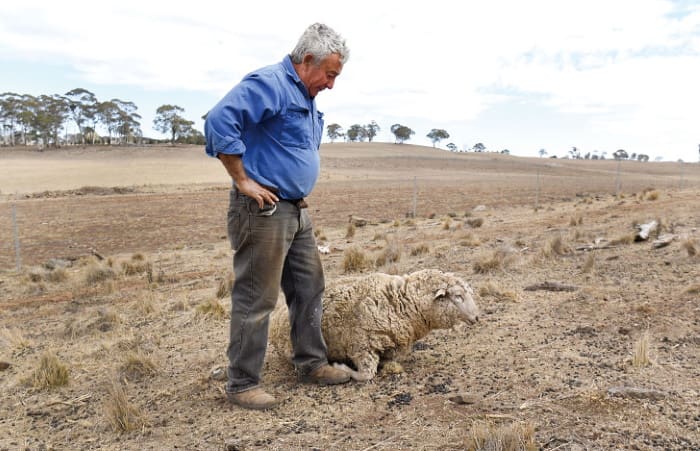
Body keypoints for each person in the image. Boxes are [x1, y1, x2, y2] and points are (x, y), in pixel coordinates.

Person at [204, 23, 351, 410]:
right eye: (330, 75)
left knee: (308, 288)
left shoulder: (302, 94)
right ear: (307, 61)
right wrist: (242, 180)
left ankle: (312, 363)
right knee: (257, 297)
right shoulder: (270, 83)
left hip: (295, 210)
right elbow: (220, 119)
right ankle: (242, 383)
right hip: (263, 210)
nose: (331, 85)